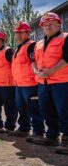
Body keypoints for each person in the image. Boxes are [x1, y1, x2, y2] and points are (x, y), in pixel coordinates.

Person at [32, 12, 68, 155]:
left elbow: (67, 58)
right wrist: (36, 71)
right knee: (47, 109)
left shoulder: (65, 38)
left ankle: (66, 139)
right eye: (45, 25)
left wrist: (51, 71)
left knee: (64, 110)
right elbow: (33, 60)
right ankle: (52, 136)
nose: (48, 26)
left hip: (61, 81)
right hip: (43, 82)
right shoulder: (39, 43)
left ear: (59, 24)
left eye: (51, 24)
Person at [9, 22, 45, 140]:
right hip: (19, 84)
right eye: (17, 33)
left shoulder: (31, 45)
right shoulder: (18, 47)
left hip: (30, 84)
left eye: (20, 32)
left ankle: (38, 132)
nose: (18, 35)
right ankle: (24, 129)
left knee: (34, 108)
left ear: (28, 32)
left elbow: (36, 62)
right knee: (21, 108)